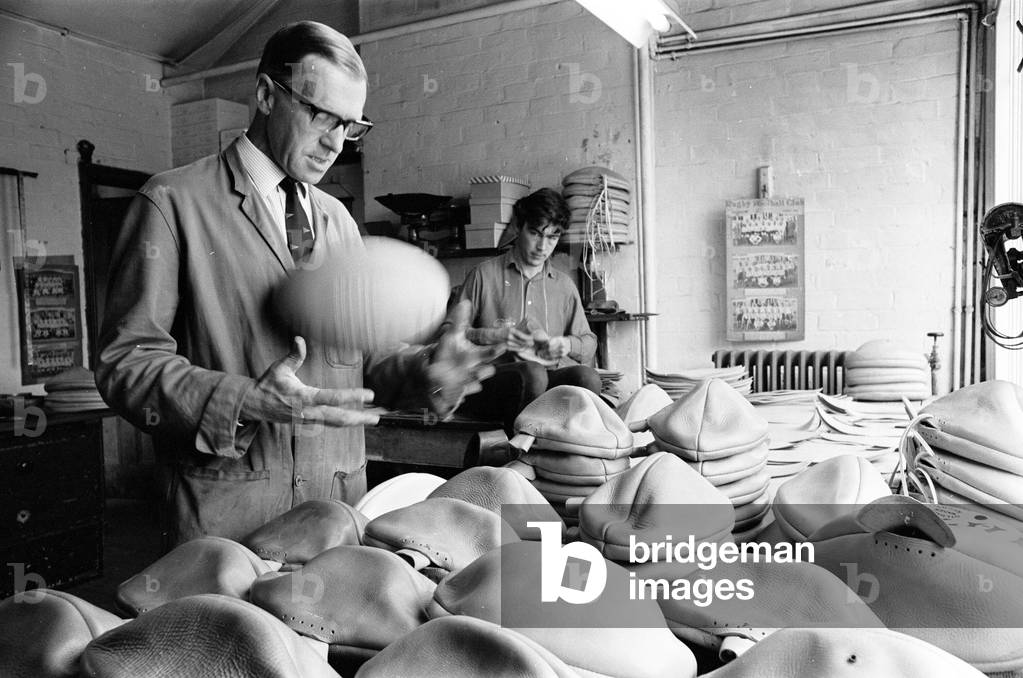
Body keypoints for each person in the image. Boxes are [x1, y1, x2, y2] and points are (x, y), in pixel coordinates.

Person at [95, 21, 497, 548]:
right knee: (228, 634)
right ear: (265, 94)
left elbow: (364, 361)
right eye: (320, 115)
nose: (335, 143)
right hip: (228, 519)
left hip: (334, 513)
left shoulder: (339, 221)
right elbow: (127, 362)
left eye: (350, 126)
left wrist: (427, 373)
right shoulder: (172, 203)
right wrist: (242, 401)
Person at [457, 188, 601, 433]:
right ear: (518, 227)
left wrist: (567, 344)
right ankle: (519, 448)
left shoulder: (564, 285)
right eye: (535, 233)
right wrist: (495, 336)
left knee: (588, 379)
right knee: (533, 374)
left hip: (543, 379)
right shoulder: (484, 274)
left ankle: (553, 446)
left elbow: (589, 341)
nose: (542, 247)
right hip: (491, 379)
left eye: (552, 237)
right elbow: (452, 335)